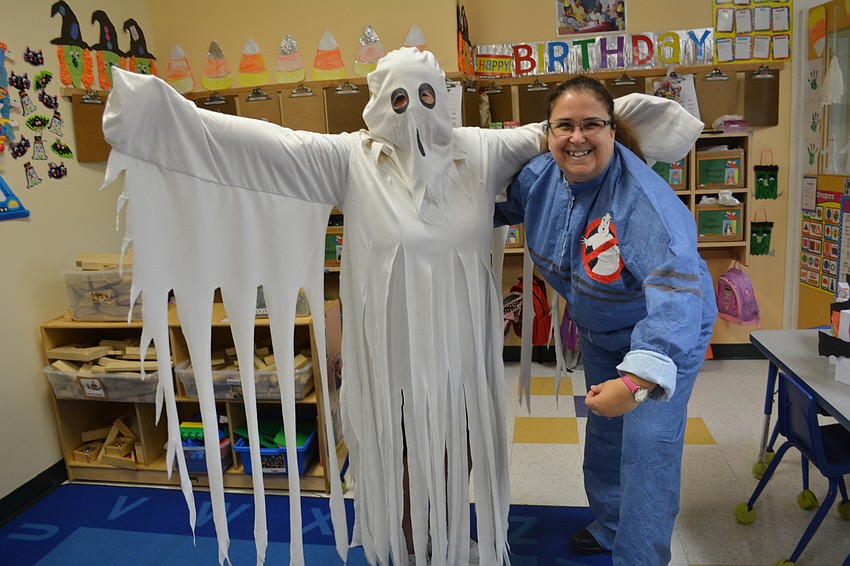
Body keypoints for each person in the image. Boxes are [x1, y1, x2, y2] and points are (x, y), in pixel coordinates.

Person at [495, 75, 714, 566]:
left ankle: (639, 557)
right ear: (548, 133)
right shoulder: (538, 180)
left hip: (664, 331)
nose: (578, 138)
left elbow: (676, 293)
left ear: (612, 130)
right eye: (564, 126)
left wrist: (637, 381)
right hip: (599, 327)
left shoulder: (644, 202)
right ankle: (612, 525)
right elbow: (481, 208)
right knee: (605, 431)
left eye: (592, 124)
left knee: (646, 447)